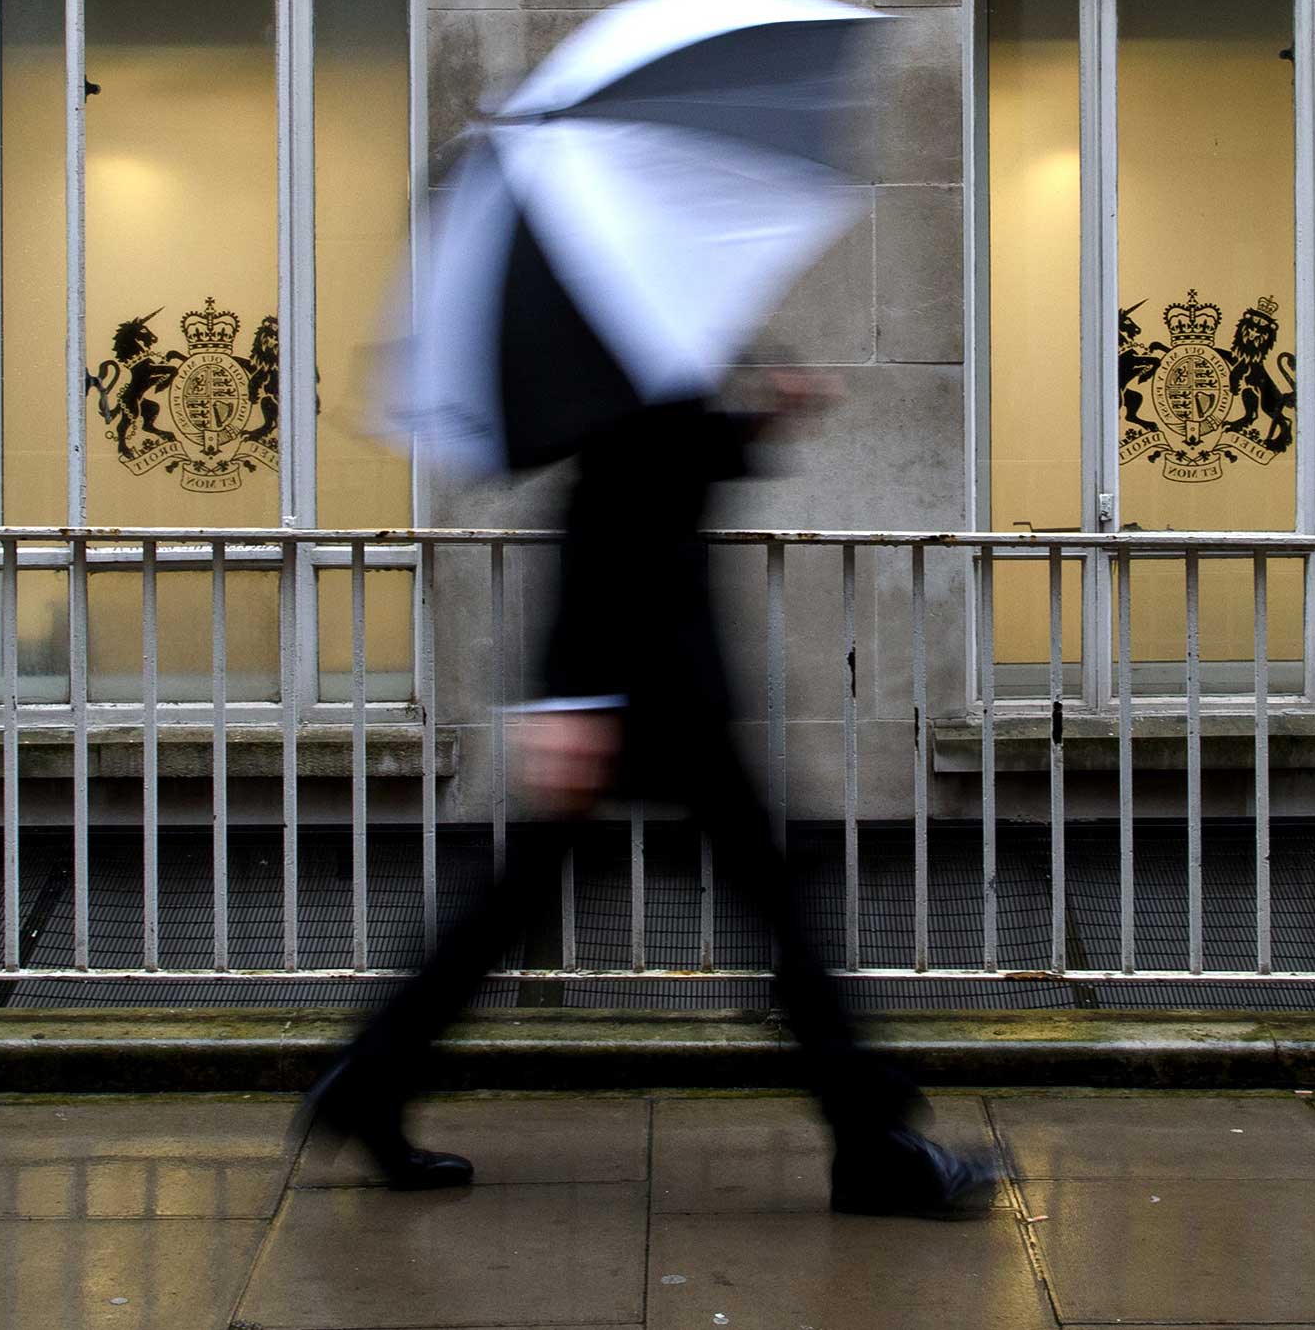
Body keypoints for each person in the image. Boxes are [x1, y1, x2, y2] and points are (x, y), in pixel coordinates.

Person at [304, 242, 998, 1219]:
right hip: (645, 694)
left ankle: (368, 1080)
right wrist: (568, 699)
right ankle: (872, 1143)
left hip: (651, 691)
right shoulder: (624, 342)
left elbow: (672, 466)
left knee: (517, 904)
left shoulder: (647, 344)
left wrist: (768, 410)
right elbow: (604, 516)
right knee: (775, 896)